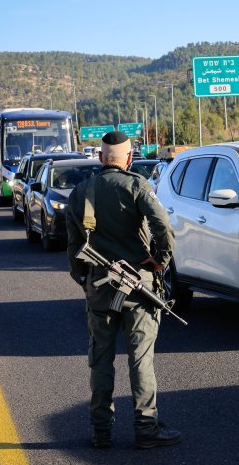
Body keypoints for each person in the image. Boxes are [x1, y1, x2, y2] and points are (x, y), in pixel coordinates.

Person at [66, 131, 181, 450]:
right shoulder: (137, 186)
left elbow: (74, 247)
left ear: (101, 158)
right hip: (139, 288)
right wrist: (159, 261)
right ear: (129, 159)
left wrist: (85, 281)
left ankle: (101, 431)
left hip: (100, 288)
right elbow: (164, 229)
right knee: (140, 359)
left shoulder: (80, 193)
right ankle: (146, 428)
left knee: (100, 360)